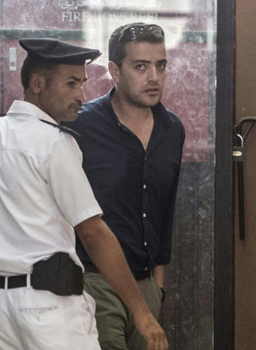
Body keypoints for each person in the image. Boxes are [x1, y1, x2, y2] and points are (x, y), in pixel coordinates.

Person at [0, 38, 169, 350]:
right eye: (71, 84)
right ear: (38, 83)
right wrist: (143, 314)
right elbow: (93, 232)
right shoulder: (54, 143)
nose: (80, 96)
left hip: (0, 308)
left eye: (82, 84)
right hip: (50, 308)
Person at [64, 22, 185, 350]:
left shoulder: (171, 128)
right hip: (94, 281)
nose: (154, 77)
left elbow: (166, 208)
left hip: (146, 282)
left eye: (161, 66)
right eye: (141, 66)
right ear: (114, 71)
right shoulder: (80, 125)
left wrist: (158, 285)